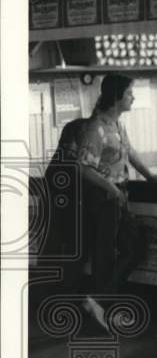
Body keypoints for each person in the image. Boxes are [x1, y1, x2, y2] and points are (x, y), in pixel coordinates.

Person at [77, 74, 154, 302]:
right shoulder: (96, 128)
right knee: (108, 251)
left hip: (116, 193)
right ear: (116, 96)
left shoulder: (117, 125)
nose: (133, 97)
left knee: (131, 248)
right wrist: (112, 189)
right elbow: (83, 167)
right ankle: (100, 300)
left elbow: (130, 153)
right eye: (130, 93)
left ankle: (99, 299)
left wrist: (152, 177)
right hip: (103, 196)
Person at [42, 117, 106, 329]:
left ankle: (60, 311)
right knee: (75, 259)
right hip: (73, 216)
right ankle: (68, 312)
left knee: (63, 259)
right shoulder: (75, 167)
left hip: (58, 218)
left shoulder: (57, 163)